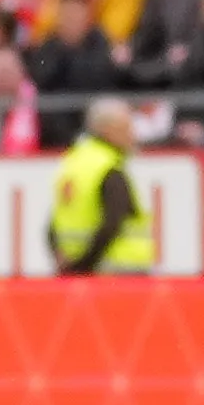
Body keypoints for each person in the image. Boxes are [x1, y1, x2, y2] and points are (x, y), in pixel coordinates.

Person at [47, 95, 152, 274]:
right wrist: (84, 265)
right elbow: (113, 222)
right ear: (108, 130)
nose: (133, 135)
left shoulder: (73, 162)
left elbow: (53, 224)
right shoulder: (108, 168)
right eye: (126, 127)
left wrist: (68, 265)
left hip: (79, 271)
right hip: (118, 271)